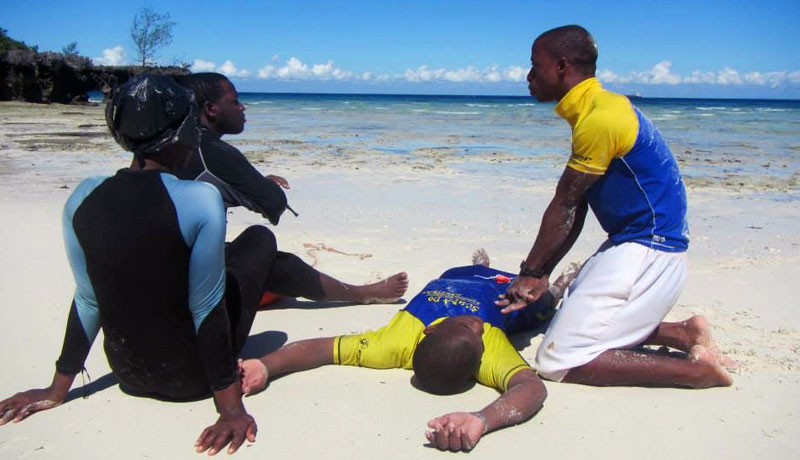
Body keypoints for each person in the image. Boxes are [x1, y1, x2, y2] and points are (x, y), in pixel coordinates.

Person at [0, 75, 269, 455]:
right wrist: (230, 409)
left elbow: (88, 300)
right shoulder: (200, 198)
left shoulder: (82, 196)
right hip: (193, 380)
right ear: (184, 133)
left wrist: (56, 390)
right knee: (258, 241)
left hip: (128, 374)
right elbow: (207, 307)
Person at [498, 25, 733, 388]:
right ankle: (684, 333)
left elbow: (566, 203)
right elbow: (577, 206)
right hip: (632, 243)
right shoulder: (597, 108)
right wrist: (542, 273)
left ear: (561, 66)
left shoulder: (600, 118)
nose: (528, 76)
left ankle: (699, 373)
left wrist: (531, 271)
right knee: (568, 323)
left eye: (534, 65)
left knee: (558, 360)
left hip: (650, 251)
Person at [239, 253, 556, 452]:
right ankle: (559, 286)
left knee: (456, 270)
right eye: (476, 333)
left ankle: (480, 266)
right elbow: (531, 388)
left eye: (465, 326)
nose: (475, 325)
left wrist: (265, 365)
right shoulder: (488, 343)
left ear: (428, 331)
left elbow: (321, 348)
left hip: (455, 277)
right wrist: (482, 420)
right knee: (543, 302)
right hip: (507, 290)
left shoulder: (395, 341)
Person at [174, 72, 408, 304]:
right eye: (234, 102)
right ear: (211, 109)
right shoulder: (213, 151)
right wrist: (258, 184)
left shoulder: (171, 144)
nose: (242, 107)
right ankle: (361, 294)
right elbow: (272, 203)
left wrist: (241, 187)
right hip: (184, 286)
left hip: (164, 265)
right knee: (264, 244)